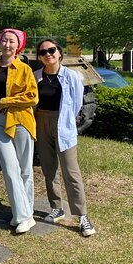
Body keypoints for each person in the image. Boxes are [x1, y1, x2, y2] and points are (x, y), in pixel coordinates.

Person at [33, 38, 96, 237]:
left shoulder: (72, 76)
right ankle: (57, 207)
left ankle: (82, 215)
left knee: (71, 172)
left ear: (59, 53)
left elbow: (77, 103)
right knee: (49, 168)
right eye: (43, 52)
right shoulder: (36, 77)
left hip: (63, 123)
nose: (48, 54)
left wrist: (66, 121)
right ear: (39, 57)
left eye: (52, 50)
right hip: (41, 121)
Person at [0, 28, 38, 234]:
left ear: (18, 45)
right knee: (9, 169)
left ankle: (24, 213)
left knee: (25, 169)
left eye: (11, 41)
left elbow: (32, 97)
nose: (6, 44)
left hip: (20, 120)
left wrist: (6, 101)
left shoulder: (24, 69)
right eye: (4, 40)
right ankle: (23, 215)